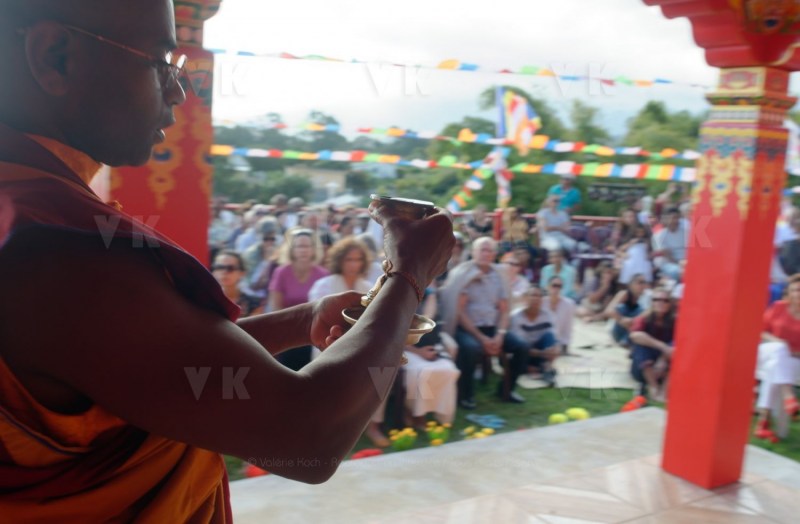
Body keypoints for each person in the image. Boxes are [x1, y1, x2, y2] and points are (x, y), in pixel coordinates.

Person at [0, 2, 454, 519]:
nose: (178, 90)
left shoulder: (26, 211)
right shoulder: (56, 247)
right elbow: (306, 436)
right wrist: (409, 274)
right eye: (159, 60)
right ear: (54, 55)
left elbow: (155, 372)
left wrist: (301, 320)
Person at [439, 237, 529, 409]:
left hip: (492, 328)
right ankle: (466, 394)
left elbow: (504, 309)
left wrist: (500, 335)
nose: (486, 254)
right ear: (473, 252)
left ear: (495, 254)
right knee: (471, 348)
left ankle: (506, 390)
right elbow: (459, 311)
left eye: (490, 250)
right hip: (467, 329)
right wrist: (481, 338)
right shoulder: (462, 274)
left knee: (522, 347)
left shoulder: (499, 275)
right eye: (482, 250)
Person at [269, 228, 330, 370]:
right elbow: (275, 307)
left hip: (314, 335)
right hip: (287, 333)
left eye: (307, 246)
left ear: (314, 249)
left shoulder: (323, 274)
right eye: (299, 246)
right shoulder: (281, 272)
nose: (303, 250)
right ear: (292, 249)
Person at [754, 274, 800, 441]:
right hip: (766, 350)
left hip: (790, 359)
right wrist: (780, 343)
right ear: (790, 292)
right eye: (796, 290)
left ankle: (763, 421)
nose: (799, 294)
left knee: (775, 366)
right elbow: (761, 331)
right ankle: (788, 395)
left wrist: (791, 351)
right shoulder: (779, 307)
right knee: (779, 351)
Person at [629, 288, 676, 401]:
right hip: (643, 368)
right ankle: (653, 387)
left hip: (664, 367)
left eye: (665, 300)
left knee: (676, 349)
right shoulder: (644, 318)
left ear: (670, 303)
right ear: (652, 302)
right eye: (657, 299)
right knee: (641, 345)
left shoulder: (675, 321)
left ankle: (664, 391)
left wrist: (663, 359)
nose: (661, 303)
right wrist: (663, 347)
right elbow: (634, 335)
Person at [510, 286, 560, 386]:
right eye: (533, 295)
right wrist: (543, 353)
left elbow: (553, 338)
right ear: (525, 298)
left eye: (539, 296)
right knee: (512, 361)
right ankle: (540, 369)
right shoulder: (516, 317)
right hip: (522, 352)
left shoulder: (548, 316)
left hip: (539, 351)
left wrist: (554, 350)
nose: (536, 299)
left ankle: (544, 368)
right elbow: (519, 346)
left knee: (549, 336)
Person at [211, 250, 264, 317]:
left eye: (230, 268)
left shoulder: (254, 303)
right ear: (213, 271)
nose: (224, 272)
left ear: (242, 273)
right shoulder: (203, 301)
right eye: (219, 267)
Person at [605, 274, 650, 348]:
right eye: (640, 282)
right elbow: (609, 311)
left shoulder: (647, 297)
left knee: (641, 312)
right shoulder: (624, 294)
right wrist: (622, 319)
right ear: (631, 284)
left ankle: (626, 341)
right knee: (622, 308)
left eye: (644, 282)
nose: (643, 285)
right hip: (619, 328)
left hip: (634, 329)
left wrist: (633, 320)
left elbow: (647, 314)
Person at [542, 276, 576, 354]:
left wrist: (565, 345)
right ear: (548, 286)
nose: (556, 289)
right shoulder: (541, 302)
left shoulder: (569, 304)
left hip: (558, 343)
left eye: (559, 286)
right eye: (554, 285)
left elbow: (568, 327)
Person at [652, 207, 687, 282]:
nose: (674, 221)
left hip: (687, 261)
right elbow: (667, 255)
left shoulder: (687, 231)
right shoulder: (658, 235)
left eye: (676, 218)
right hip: (670, 263)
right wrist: (681, 265)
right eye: (671, 218)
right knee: (678, 271)